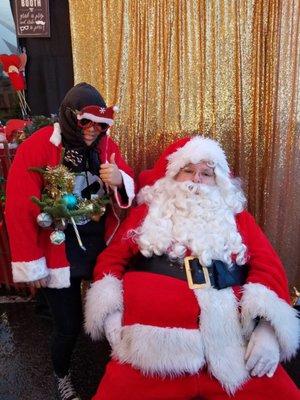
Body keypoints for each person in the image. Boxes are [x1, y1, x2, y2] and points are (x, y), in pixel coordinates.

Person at [85, 135, 299, 400]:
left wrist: (268, 330)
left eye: (206, 174)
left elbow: (268, 267)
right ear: (172, 176)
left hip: (228, 349)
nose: (197, 180)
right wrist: (110, 314)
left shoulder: (236, 218)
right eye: (188, 171)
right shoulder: (148, 214)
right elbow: (111, 262)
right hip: (150, 351)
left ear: (219, 181)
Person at [5, 82, 135, 400]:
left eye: (99, 124)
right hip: (58, 251)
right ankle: (61, 376)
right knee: (68, 326)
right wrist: (31, 265)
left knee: (115, 312)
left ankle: (123, 375)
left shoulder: (106, 146)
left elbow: (127, 182)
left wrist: (120, 180)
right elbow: (20, 208)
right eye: (85, 123)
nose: (92, 131)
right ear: (69, 118)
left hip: (98, 248)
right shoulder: (38, 147)